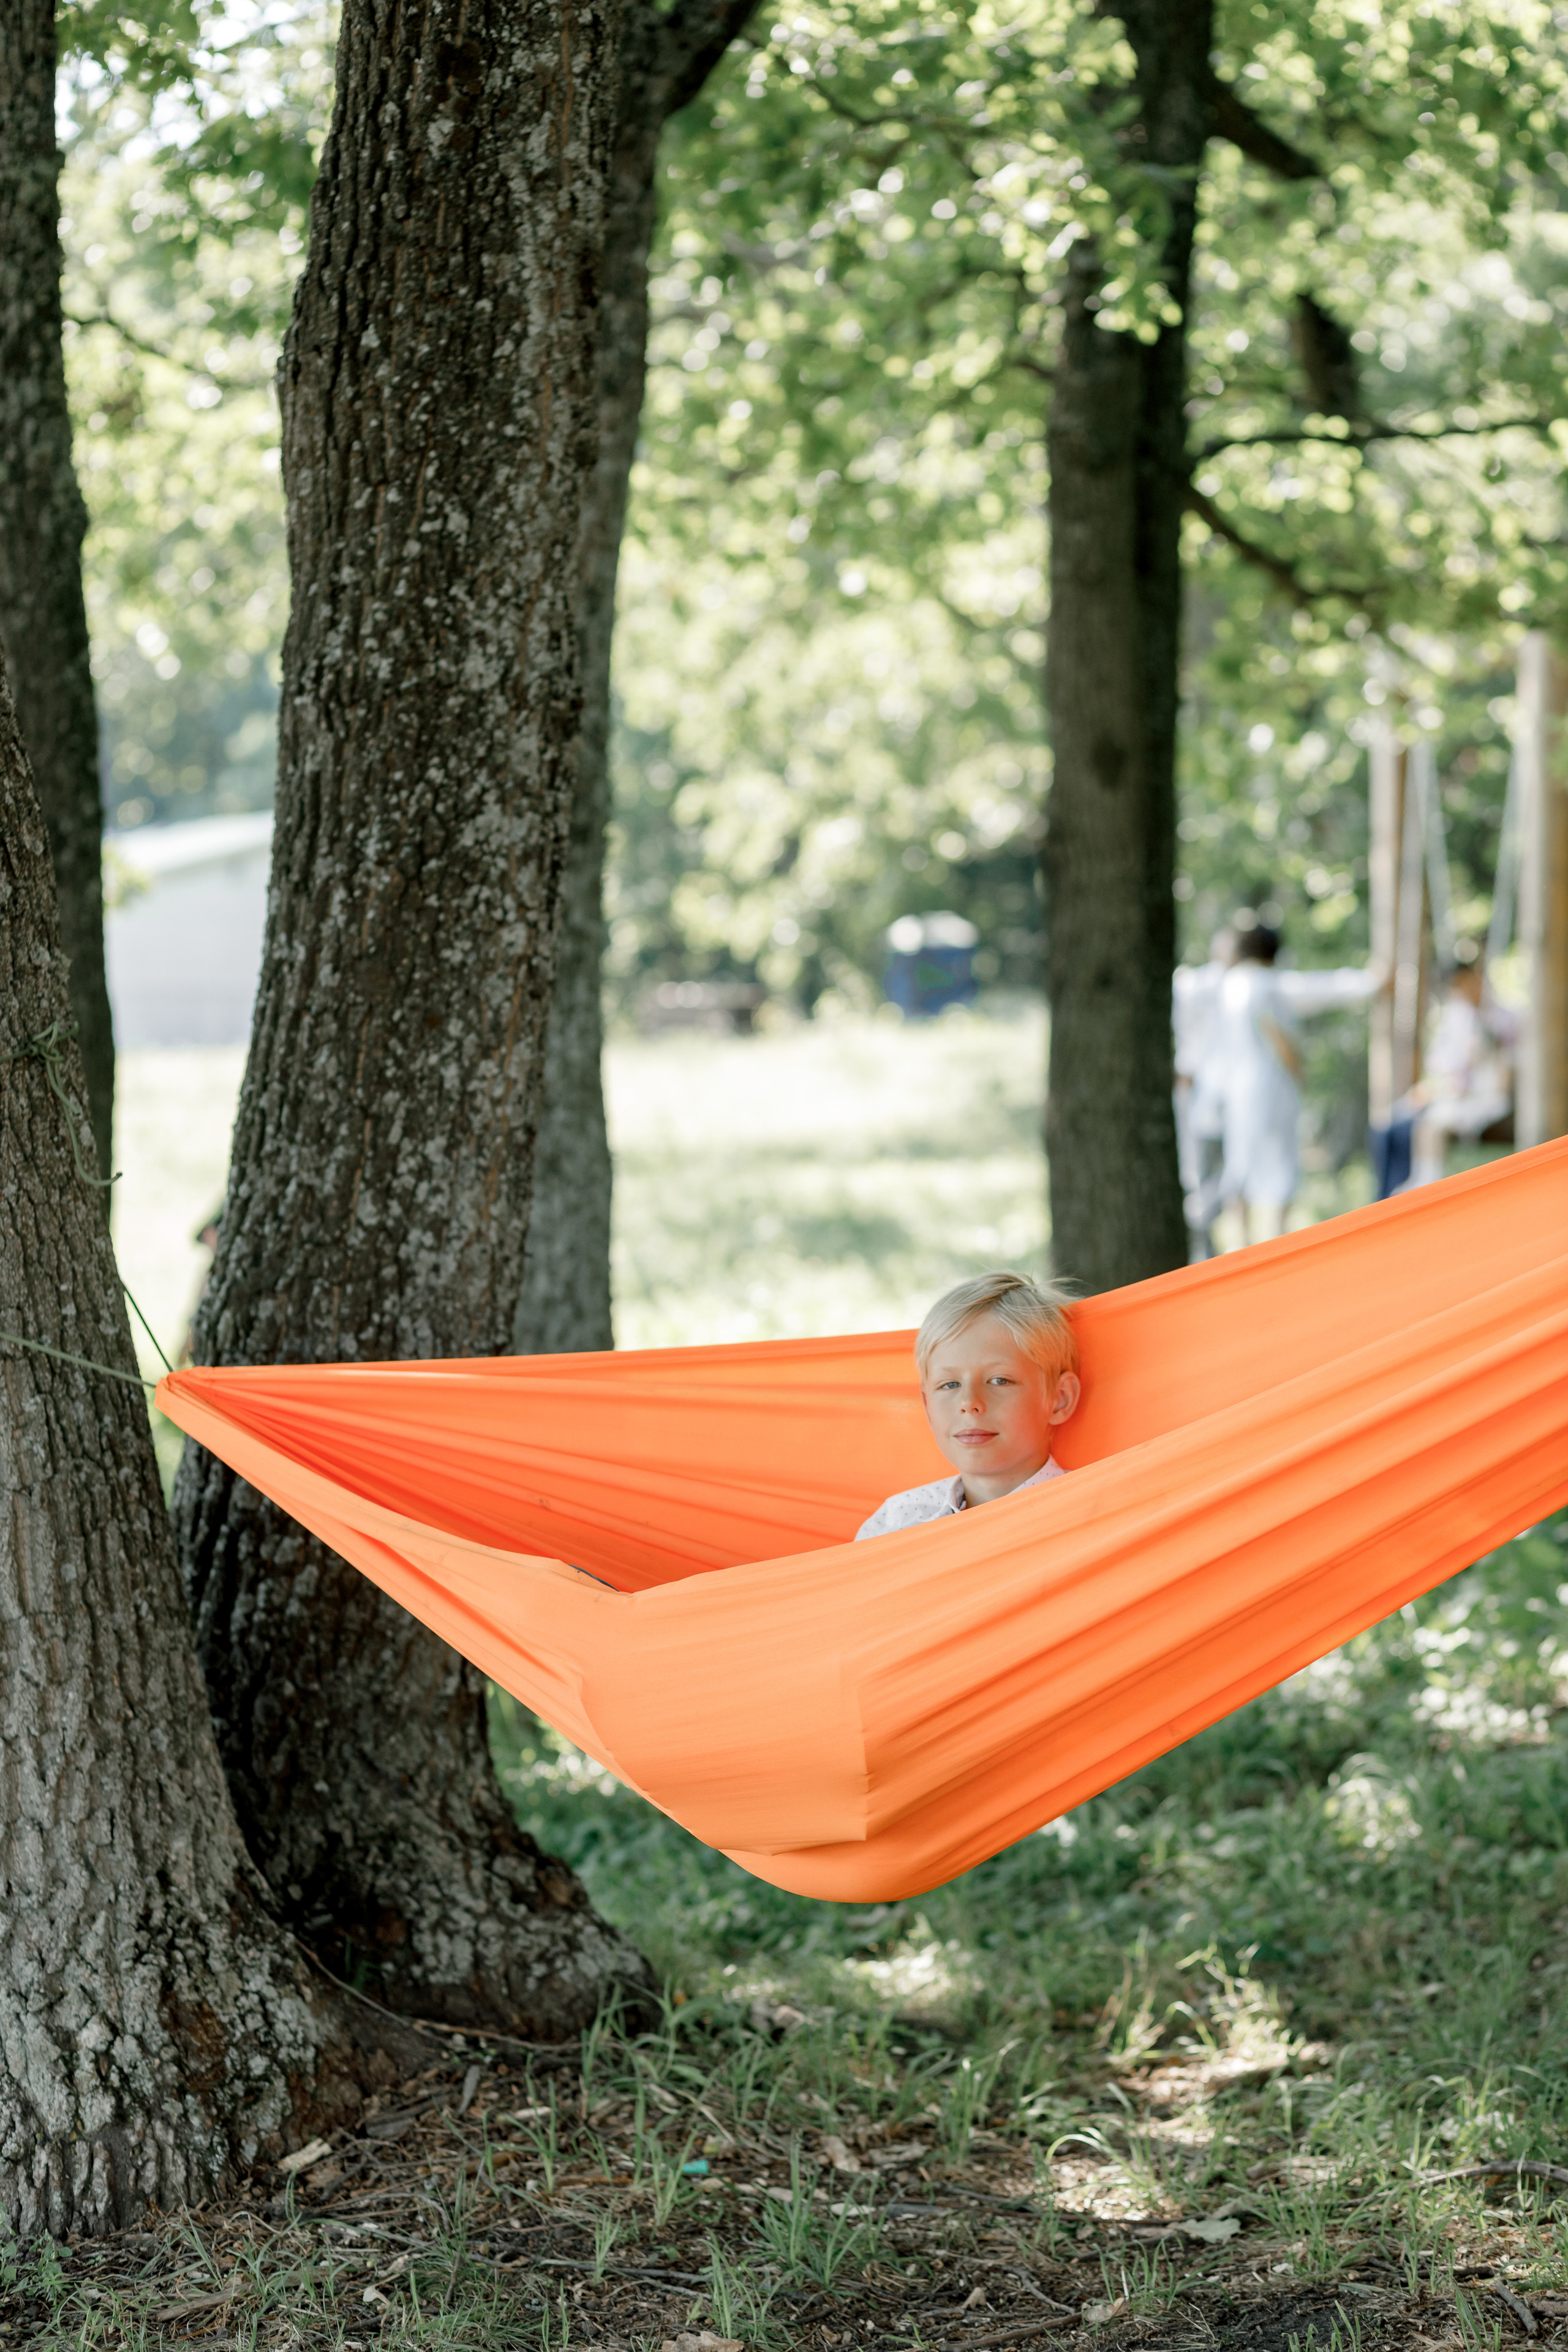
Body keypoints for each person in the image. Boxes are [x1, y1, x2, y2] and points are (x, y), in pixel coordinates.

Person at [1194, 919, 1384, 1248]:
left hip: (1236, 1090)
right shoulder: (1267, 984)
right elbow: (1284, 1030)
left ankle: (1242, 1241)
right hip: (1270, 1086)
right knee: (1282, 1162)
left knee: (1241, 1162)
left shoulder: (1230, 985)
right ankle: (1279, 1238)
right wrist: (1300, 1073)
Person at [856, 1270, 1080, 1539]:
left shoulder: (1094, 1517)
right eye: (950, 1385)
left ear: (1060, 1399)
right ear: (928, 1407)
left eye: (999, 1381)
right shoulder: (896, 1522)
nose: (969, 1403)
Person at [1391, 952, 1516, 1192]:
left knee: (1428, 1127)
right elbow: (1438, 1061)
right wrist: (1460, 1062)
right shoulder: (1456, 1018)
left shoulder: (1505, 1017)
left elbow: (1511, 1057)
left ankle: (1428, 1183)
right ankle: (1417, 1181)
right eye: (1458, 987)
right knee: (1406, 1127)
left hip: (1488, 1095)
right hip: (1458, 1092)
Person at [1173, 927, 1235, 1259]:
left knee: (1222, 1177)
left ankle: (1202, 1242)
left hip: (1229, 1099)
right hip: (1197, 1094)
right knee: (1200, 1175)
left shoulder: (1244, 985)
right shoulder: (1193, 985)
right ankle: (1200, 1247)